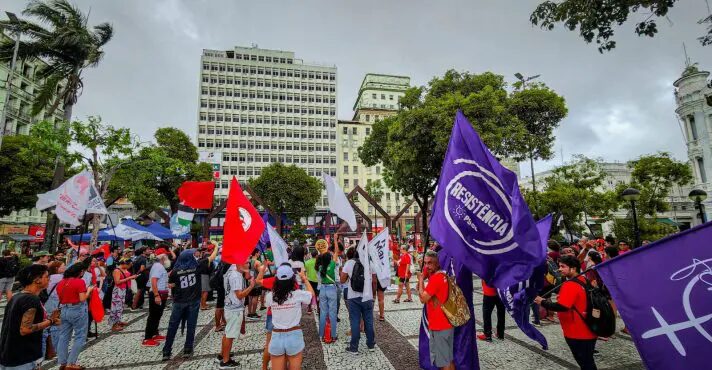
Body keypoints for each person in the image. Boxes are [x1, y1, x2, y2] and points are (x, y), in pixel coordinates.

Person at [534, 255, 598, 370]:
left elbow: (562, 307)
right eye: (559, 266)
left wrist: (542, 301)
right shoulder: (583, 280)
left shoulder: (570, 285)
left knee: (586, 363)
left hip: (577, 331)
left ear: (573, 269)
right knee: (587, 361)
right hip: (588, 328)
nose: (559, 269)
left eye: (563, 266)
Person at [0, 264, 61, 370]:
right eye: (46, 277)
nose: (49, 280)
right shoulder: (31, 300)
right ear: (37, 280)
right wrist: (51, 321)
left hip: (9, 355)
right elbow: (25, 329)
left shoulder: (17, 297)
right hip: (22, 358)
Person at [162, 246, 218, 361]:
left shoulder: (175, 272)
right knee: (191, 326)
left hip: (179, 302)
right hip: (193, 301)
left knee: (172, 326)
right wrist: (216, 246)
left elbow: (171, 285)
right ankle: (187, 349)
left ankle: (166, 351)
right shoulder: (197, 266)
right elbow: (212, 258)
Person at [265, 265, 315, 370]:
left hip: (277, 336)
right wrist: (304, 279)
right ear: (293, 279)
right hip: (294, 335)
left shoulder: (270, 296)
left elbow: (267, 304)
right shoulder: (297, 294)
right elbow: (312, 294)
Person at [417, 250, 455, 370]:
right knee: (448, 359)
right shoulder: (443, 275)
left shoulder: (435, 279)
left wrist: (421, 279)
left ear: (437, 263)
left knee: (444, 363)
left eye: (430, 263)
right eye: (425, 263)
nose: (427, 266)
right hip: (446, 324)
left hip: (439, 326)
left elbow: (423, 298)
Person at [56, 263, 94, 370]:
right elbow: (82, 298)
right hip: (77, 309)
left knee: (64, 336)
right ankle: (71, 363)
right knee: (80, 336)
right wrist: (89, 291)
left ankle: (63, 362)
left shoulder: (61, 282)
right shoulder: (79, 282)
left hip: (65, 309)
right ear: (80, 272)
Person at [218, 261, 256, 369]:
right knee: (230, 335)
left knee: (227, 333)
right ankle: (225, 361)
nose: (248, 264)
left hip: (229, 306)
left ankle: (222, 355)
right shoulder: (236, 276)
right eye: (246, 262)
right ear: (239, 263)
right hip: (234, 308)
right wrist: (251, 287)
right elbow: (239, 295)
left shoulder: (231, 271)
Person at [341, 248, 375, 354]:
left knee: (355, 321)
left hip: (353, 297)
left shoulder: (349, 263)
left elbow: (342, 280)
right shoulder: (370, 263)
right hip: (367, 297)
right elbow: (374, 281)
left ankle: (354, 347)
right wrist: (373, 294)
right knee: (369, 321)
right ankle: (371, 345)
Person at [142, 252, 171, 347]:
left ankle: (154, 333)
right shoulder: (158, 266)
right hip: (157, 294)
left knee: (158, 315)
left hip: (161, 293)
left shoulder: (159, 266)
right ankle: (147, 338)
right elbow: (154, 280)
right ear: (162, 258)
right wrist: (156, 295)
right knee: (153, 316)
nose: (168, 258)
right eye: (166, 256)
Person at [44, 261, 66, 359]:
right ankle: (54, 349)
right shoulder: (59, 277)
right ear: (57, 268)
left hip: (48, 302)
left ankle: (47, 348)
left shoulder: (49, 277)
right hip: (56, 303)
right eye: (63, 266)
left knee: (48, 324)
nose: (65, 267)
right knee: (56, 325)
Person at [316, 246, 338, 343]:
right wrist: (335, 239)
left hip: (322, 290)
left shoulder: (320, 267)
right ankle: (333, 335)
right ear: (330, 258)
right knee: (332, 313)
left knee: (323, 312)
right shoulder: (332, 264)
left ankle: (322, 334)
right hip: (331, 289)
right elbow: (336, 252)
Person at [109, 258, 138, 332]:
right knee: (116, 307)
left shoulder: (124, 269)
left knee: (120, 307)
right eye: (128, 265)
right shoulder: (117, 270)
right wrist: (130, 278)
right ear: (124, 264)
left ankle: (118, 321)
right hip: (118, 290)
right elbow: (117, 282)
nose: (129, 267)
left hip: (123, 289)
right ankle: (114, 325)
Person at [247, 249, 263, 320]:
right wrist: (264, 268)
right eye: (259, 253)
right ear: (256, 253)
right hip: (256, 281)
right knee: (255, 297)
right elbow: (261, 272)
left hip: (249, 281)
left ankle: (249, 312)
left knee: (250, 297)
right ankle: (253, 313)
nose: (259, 254)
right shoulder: (257, 262)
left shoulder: (249, 261)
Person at [304, 249, 319, 315]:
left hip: (309, 280)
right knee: (318, 295)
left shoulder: (307, 262)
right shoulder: (319, 262)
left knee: (310, 294)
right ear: (316, 255)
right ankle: (318, 308)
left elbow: (305, 271)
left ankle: (309, 308)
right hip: (317, 280)